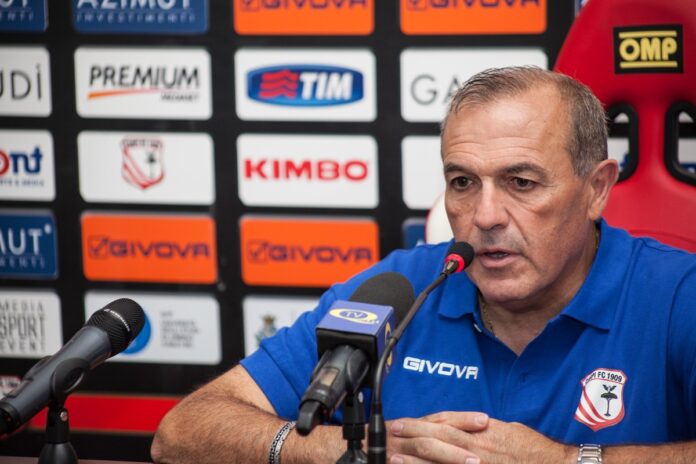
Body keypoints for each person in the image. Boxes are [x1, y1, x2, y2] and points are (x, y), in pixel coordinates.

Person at [151, 67, 696, 464]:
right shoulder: (401, 289)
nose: (485, 215)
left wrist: (565, 461)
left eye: (521, 182)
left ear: (597, 189)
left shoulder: (676, 295)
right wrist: (347, 451)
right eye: (462, 182)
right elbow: (180, 433)